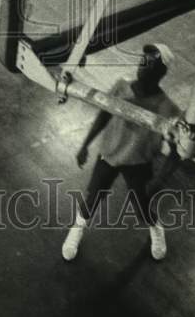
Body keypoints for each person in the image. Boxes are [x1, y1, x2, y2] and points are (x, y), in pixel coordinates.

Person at [61, 43, 181, 263]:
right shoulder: (120, 87)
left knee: (142, 205)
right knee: (93, 196)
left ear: (161, 72)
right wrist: (85, 144)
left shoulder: (167, 108)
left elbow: (177, 152)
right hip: (109, 154)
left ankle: (156, 229)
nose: (143, 67)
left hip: (138, 162)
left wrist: (161, 179)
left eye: (151, 65)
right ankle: (76, 230)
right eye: (142, 61)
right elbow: (103, 115)